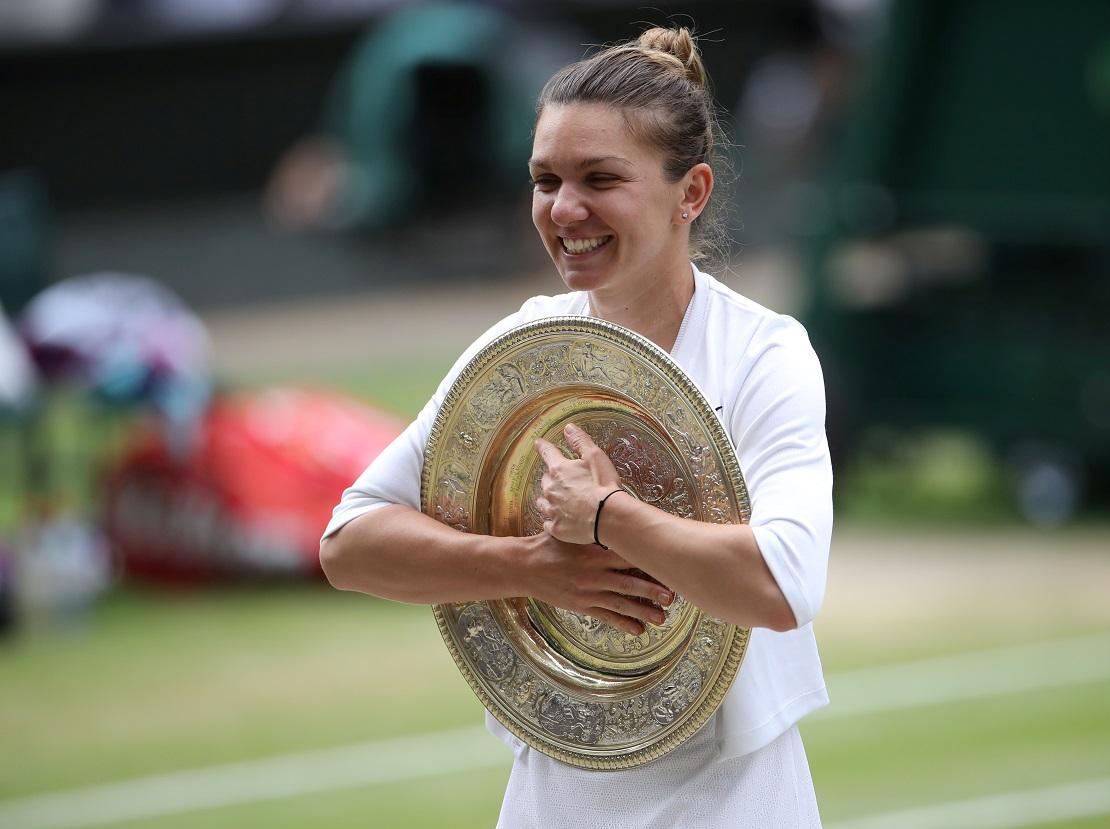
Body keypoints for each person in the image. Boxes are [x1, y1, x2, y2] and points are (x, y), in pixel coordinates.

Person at [319, 26, 832, 828]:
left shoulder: (765, 355)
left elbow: (781, 583)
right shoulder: (518, 351)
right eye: (544, 179)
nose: (565, 209)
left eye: (601, 179)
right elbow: (348, 544)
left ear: (689, 193)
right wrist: (533, 565)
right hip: (553, 797)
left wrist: (609, 517)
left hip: (733, 802)